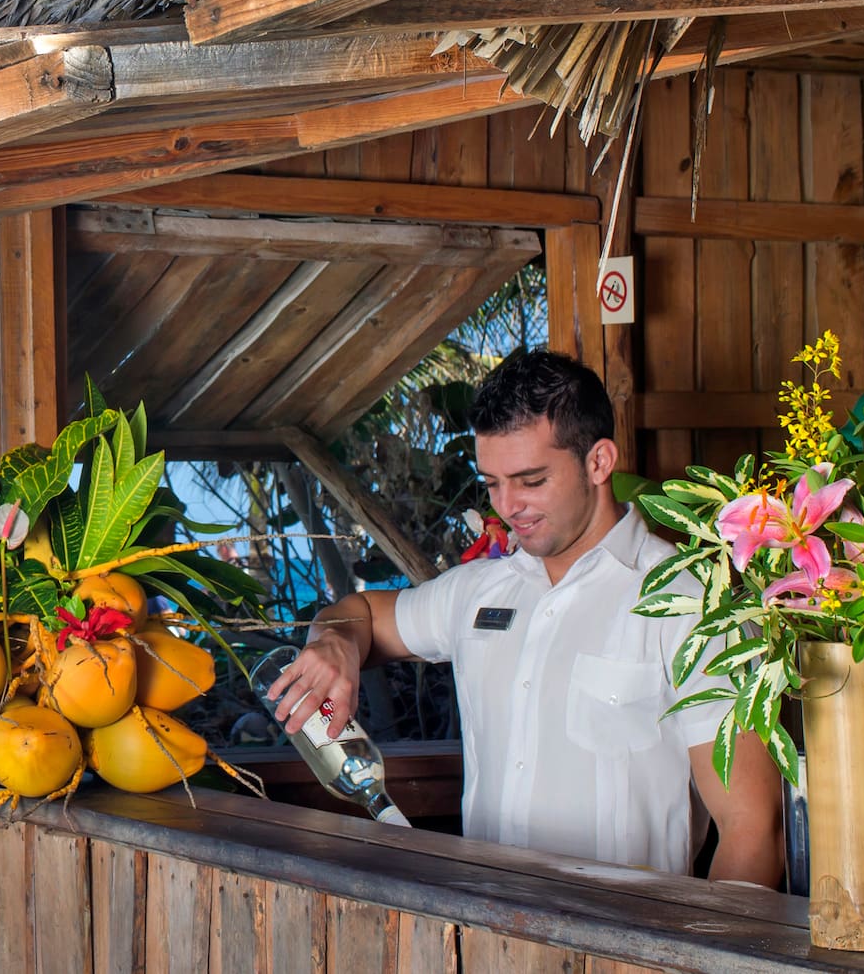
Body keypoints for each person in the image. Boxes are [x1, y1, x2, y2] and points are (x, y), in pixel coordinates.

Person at [266, 349, 783, 885]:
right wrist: (334, 643)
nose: (509, 505)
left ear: (599, 462)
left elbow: (753, 827)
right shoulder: (478, 592)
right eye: (492, 483)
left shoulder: (691, 602)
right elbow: (362, 614)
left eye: (531, 480)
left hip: (624, 953)